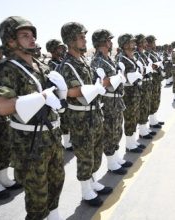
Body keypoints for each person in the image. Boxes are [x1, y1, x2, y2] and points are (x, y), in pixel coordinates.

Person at [0, 16, 65, 219]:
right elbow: (2, 107)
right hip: (30, 144)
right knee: (36, 196)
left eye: (32, 34)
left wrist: (61, 90)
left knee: (56, 182)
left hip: (52, 135)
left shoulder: (40, 66)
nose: (32, 38)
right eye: (24, 35)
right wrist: (41, 97)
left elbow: (58, 100)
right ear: (10, 41)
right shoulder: (5, 69)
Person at [58, 22, 112, 207]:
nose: (84, 40)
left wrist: (98, 86)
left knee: (96, 151)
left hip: (95, 114)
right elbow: (69, 92)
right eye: (80, 37)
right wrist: (93, 88)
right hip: (80, 118)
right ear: (70, 40)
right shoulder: (66, 65)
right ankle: (85, 191)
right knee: (85, 155)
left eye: (83, 36)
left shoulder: (84, 61)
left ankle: (93, 181)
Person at [90, 29, 131, 175]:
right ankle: (111, 163)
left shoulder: (108, 59)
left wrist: (120, 77)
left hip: (116, 100)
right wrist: (116, 79)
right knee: (110, 132)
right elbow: (99, 82)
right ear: (101, 42)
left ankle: (116, 157)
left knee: (117, 130)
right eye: (108, 40)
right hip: (107, 102)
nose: (111, 42)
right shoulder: (97, 61)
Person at [116, 34, 144, 153]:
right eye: (131, 42)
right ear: (125, 44)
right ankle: (129, 144)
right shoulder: (121, 59)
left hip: (135, 91)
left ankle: (133, 141)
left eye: (134, 42)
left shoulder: (132, 57)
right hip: (128, 93)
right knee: (129, 118)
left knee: (135, 117)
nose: (134, 44)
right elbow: (122, 77)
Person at [145, 35, 165, 128]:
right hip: (152, 81)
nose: (155, 43)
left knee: (156, 100)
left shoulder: (153, 53)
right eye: (153, 42)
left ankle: (154, 120)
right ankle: (152, 122)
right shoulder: (147, 54)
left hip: (157, 80)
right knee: (153, 100)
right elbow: (149, 67)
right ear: (149, 43)